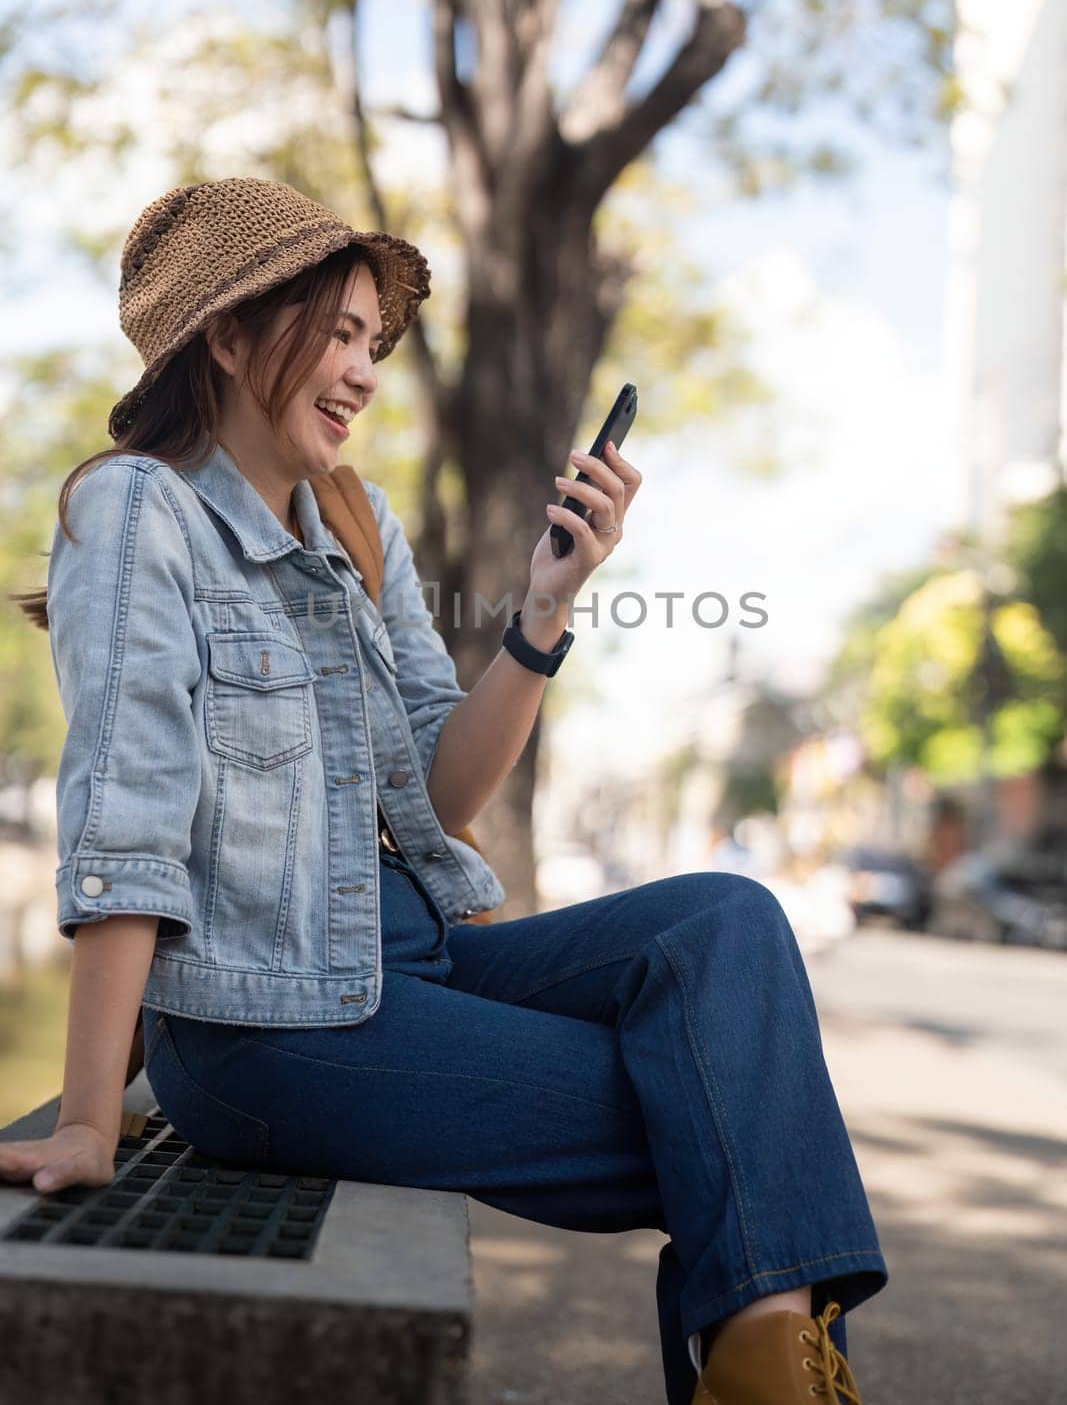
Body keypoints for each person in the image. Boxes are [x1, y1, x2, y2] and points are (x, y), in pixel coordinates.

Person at [0, 178, 887, 1404]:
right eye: (340, 332)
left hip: (410, 965)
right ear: (229, 333)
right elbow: (128, 817)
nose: (365, 371)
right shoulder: (136, 510)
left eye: (374, 339)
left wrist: (542, 611)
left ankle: (759, 1358)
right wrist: (93, 1115)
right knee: (733, 1113)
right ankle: (770, 1370)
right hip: (272, 1030)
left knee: (725, 925)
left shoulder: (356, 522)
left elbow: (441, 786)